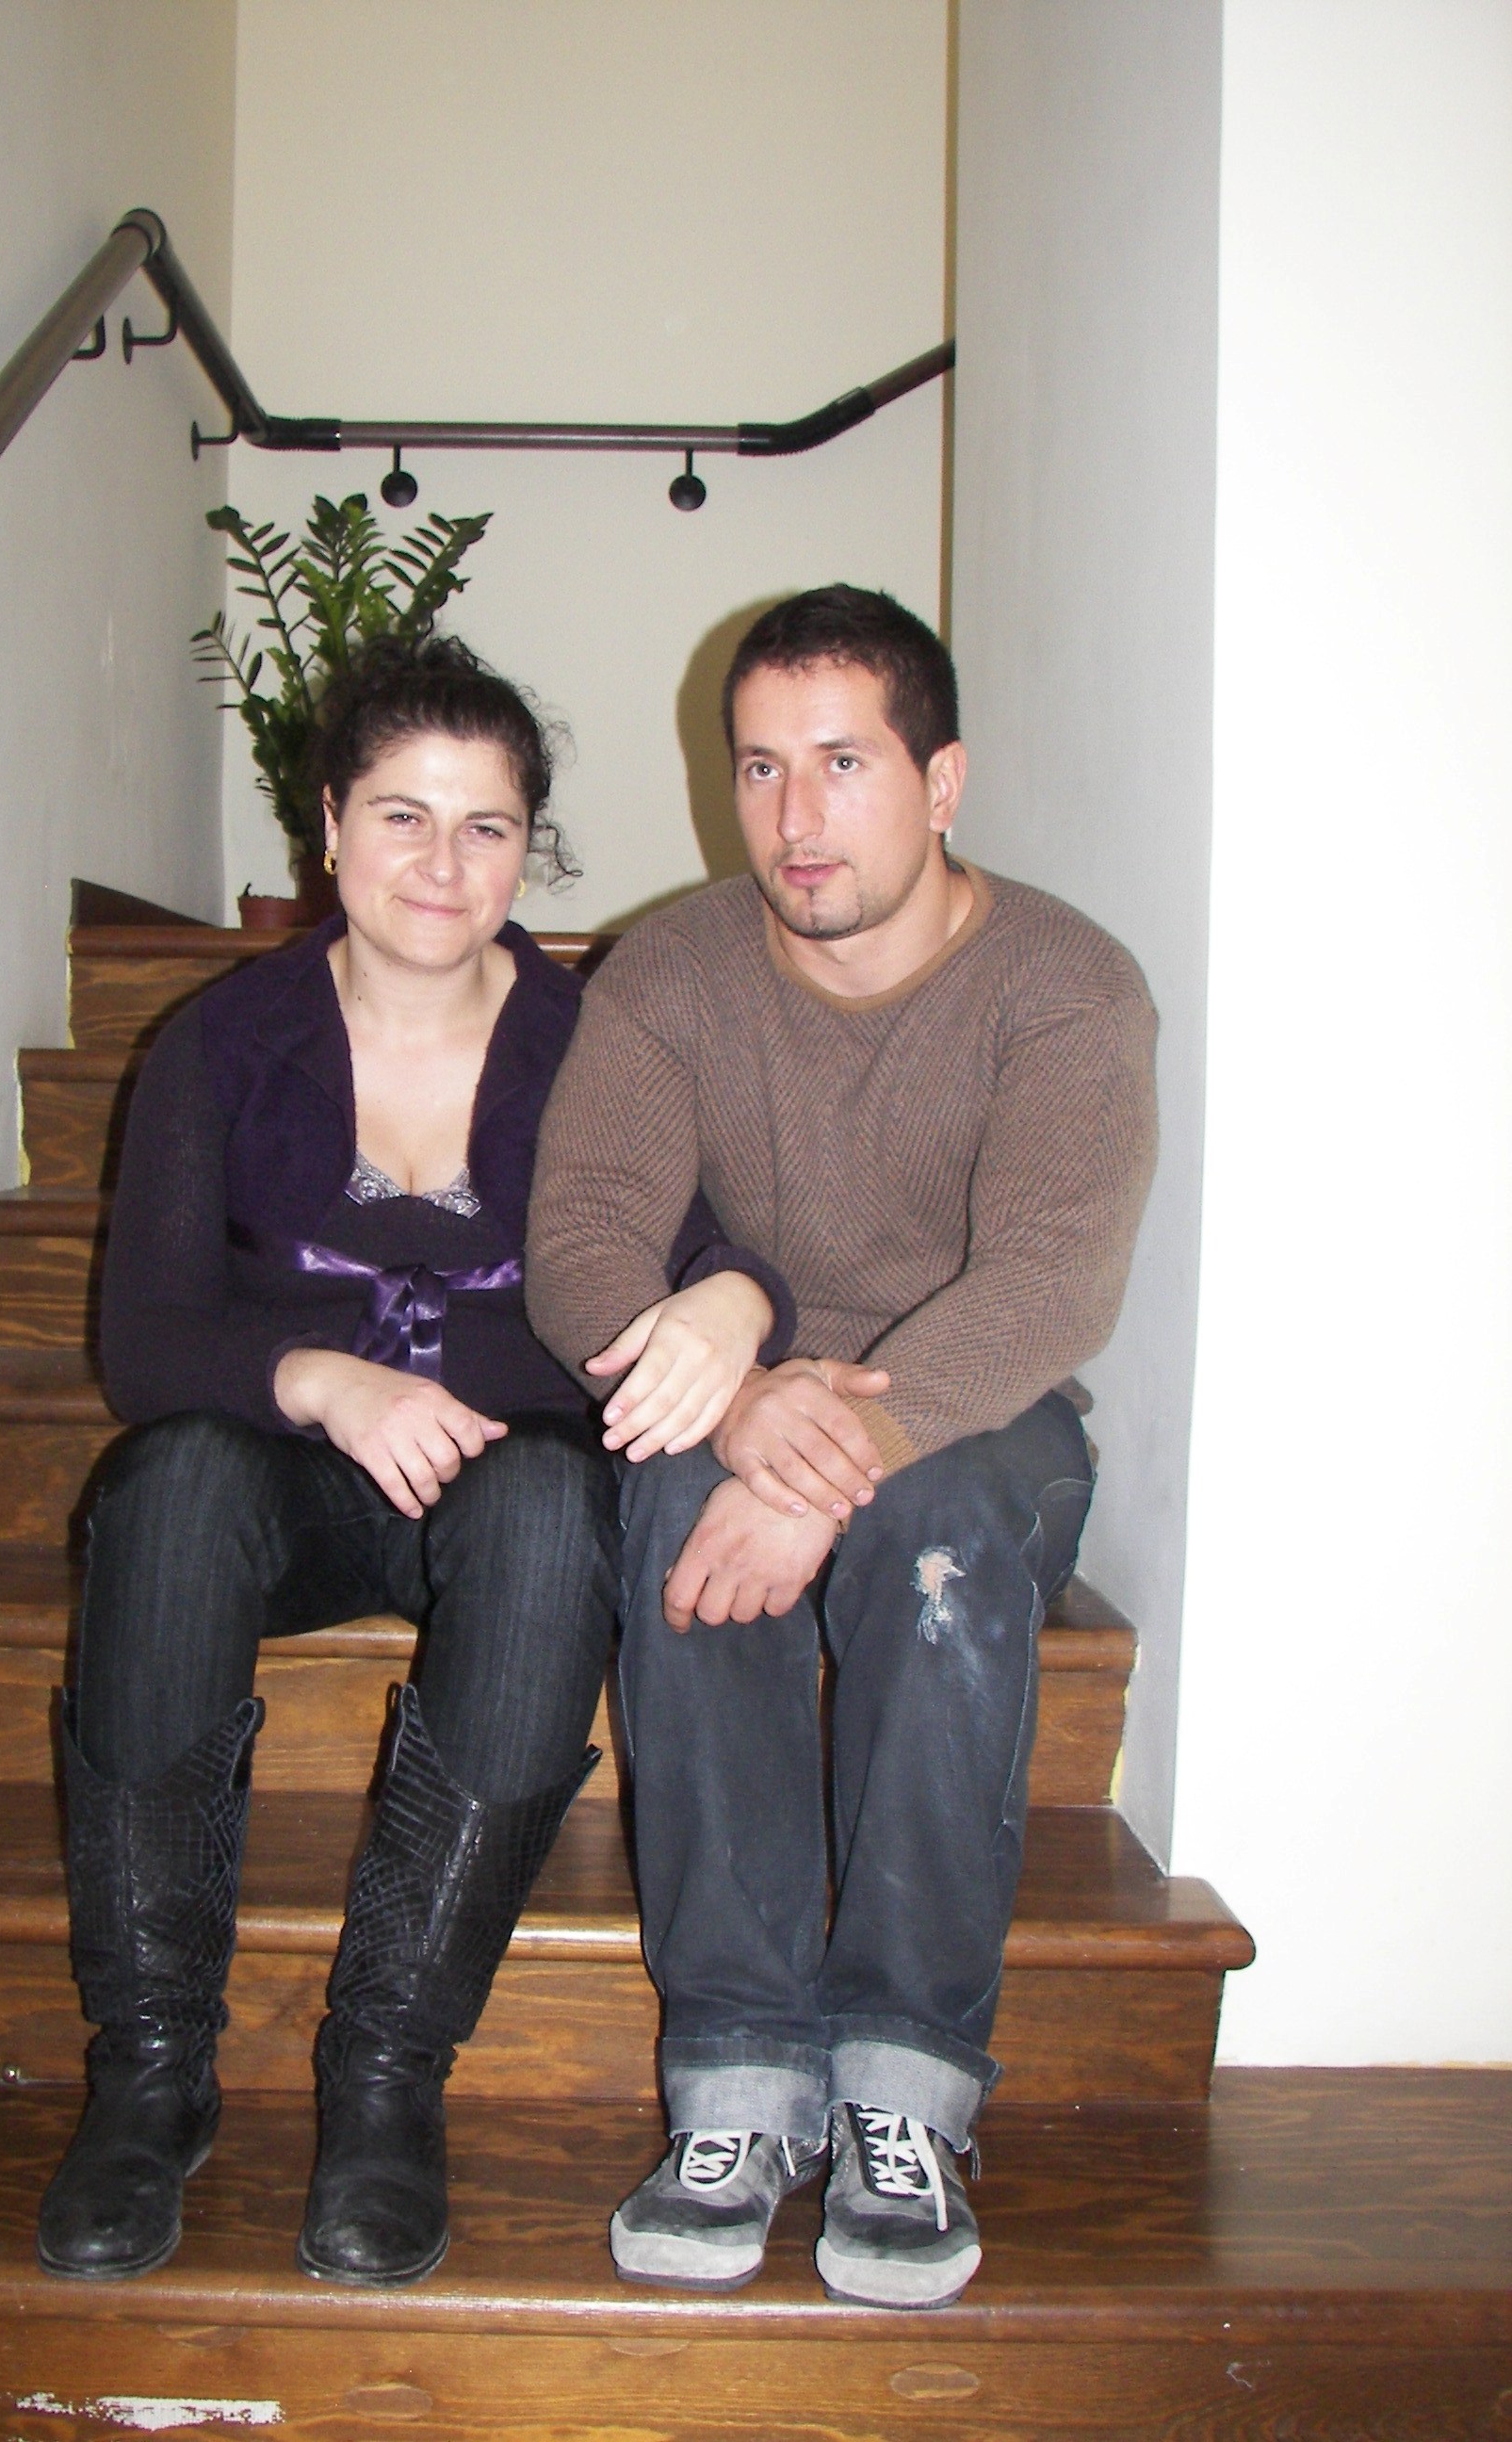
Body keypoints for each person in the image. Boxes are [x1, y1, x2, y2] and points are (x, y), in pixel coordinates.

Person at [37, 636, 791, 2289]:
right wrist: (325, 1378)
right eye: (402, 815)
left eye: (486, 826)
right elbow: (147, 1344)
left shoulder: (600, 1041)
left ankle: (386, 2074)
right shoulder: (221, 1045)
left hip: (506, 1495)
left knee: (549, 1506)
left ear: (528, 850)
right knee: (167, 1485)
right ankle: (151, 2071)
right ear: (328, 826)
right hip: (286, 1485)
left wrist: (738, 1297)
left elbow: (732, 1256)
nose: (443, 865)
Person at [527, 585, 1157, 2310]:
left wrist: (827, 1462)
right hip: (761, 1385)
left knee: (937, 1536)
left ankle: (904, 2090)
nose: (795, 818)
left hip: (979, 1409)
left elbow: (1051, 1280)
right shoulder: (671, 971)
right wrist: (741, 1409)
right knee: (675, 1497)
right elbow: (582, 1237)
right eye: (759, 768)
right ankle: (737, 2081)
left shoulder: (1064, 985)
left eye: (843, 763)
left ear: (941, 781)